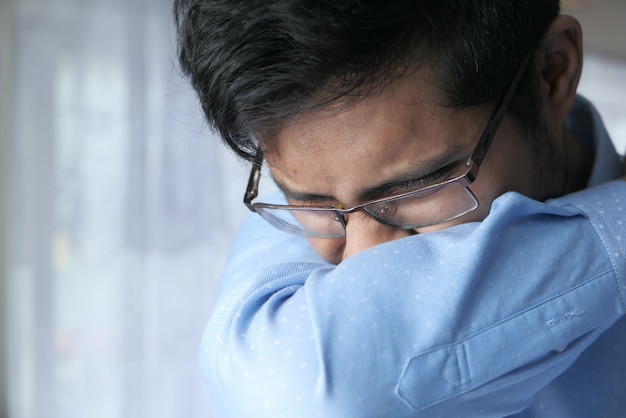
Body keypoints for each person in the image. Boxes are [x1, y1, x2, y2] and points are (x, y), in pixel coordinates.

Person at [174, 1, 626, 417]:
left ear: (552, 72)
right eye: (311, 200)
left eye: (416, 185)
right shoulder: (296, 177)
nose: (361, 263)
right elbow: (304, 393)